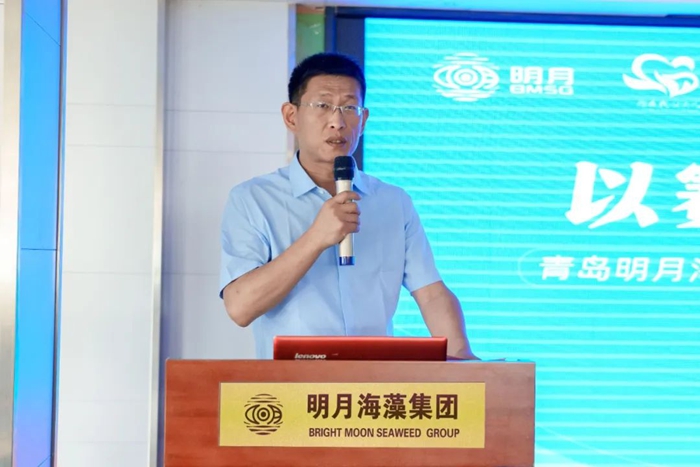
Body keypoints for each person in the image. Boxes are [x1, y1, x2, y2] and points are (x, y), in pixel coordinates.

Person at [219, 52, 477, 360]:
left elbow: (431, 293)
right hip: (292, 383)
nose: (337, 122)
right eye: (323, 106)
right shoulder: (253, 199)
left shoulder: (393, 202)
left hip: (373, 383)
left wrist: (465, 362)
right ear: (291, 116)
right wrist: (316, 238)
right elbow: (240, 307)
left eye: (349, 108)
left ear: (363, 119)